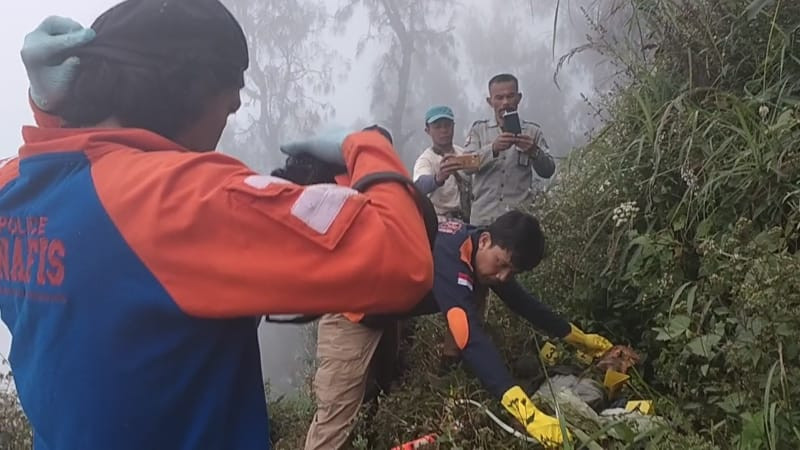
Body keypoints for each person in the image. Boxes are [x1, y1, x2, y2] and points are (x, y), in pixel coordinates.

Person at [2, 2, 433, 449]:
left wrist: (54, 115)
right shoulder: (175, 197)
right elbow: (403, 262)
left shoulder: (14, 189)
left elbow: (78, 171)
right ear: (189, 91)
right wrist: (367, 145)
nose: (225, 126)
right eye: (228, 109)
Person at [303, 211, 614, 449]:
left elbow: (523, 302)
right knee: (336, 417)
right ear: (488, 240)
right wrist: (526, 413)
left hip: (388, 310)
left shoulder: (477, 248)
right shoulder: (450, 258)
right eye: (502, 264)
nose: (504, 276)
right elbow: (471, 338)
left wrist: (581, 339)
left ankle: (442, 374)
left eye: (512, 272)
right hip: (351, 313)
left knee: (383, 388)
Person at [465, 73, 556, 226]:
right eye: (499, 98)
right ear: (490, 101)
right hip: (483, 221)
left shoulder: (533, 132)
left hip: (517, 224)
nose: (505, 102)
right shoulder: (478, 130)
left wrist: (534, 151)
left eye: (510, 96)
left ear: (519, 98)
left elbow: (548, 171)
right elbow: (465, 166)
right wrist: (492, 149)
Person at [412, 105, 473, 222]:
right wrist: (438, 178)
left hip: (469, 220)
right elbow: (419, 185)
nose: (443, 130)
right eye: (437, 127)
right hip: (441, 221)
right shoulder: (426, 159)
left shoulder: (464, 153)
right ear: (428, 130)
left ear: (453, 127)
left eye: (447, 125)